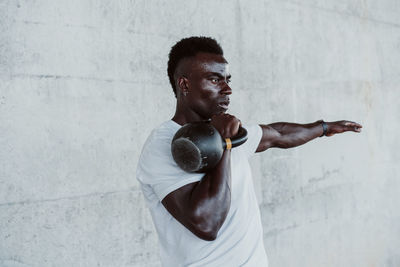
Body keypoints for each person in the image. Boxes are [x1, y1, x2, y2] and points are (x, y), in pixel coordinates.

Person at [136, 36, 362, 267]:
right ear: (184, 85)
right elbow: (206, 223)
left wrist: (323, 128)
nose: (228, 89)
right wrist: (225, 143)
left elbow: (278, 134)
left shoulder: (226, 131)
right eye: (215, 79)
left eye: (227, 80)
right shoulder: (161, 145)